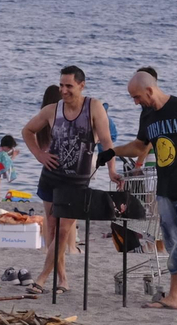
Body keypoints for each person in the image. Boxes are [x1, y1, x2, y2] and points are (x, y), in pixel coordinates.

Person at [97, 71, 177, 314]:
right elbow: (140, 146)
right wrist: (113, 152)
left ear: (149, 90)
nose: (135, 102)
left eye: (137, 97)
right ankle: (175, 296)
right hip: (165, 188)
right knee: (172, 242)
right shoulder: (148, 116)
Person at [22, 65, 119, 295]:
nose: (64, 91)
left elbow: (106, 142)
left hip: (77, 181)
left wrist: (112, 171)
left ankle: (43, 278)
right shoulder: (51, 110)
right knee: (53, 229)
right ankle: (63, 279)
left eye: (69, 86)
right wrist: (39, 155)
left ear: (81, 85)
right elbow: (27, 131)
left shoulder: (93, 107)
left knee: (65, 231)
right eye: (61, 85)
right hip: (51, 176)